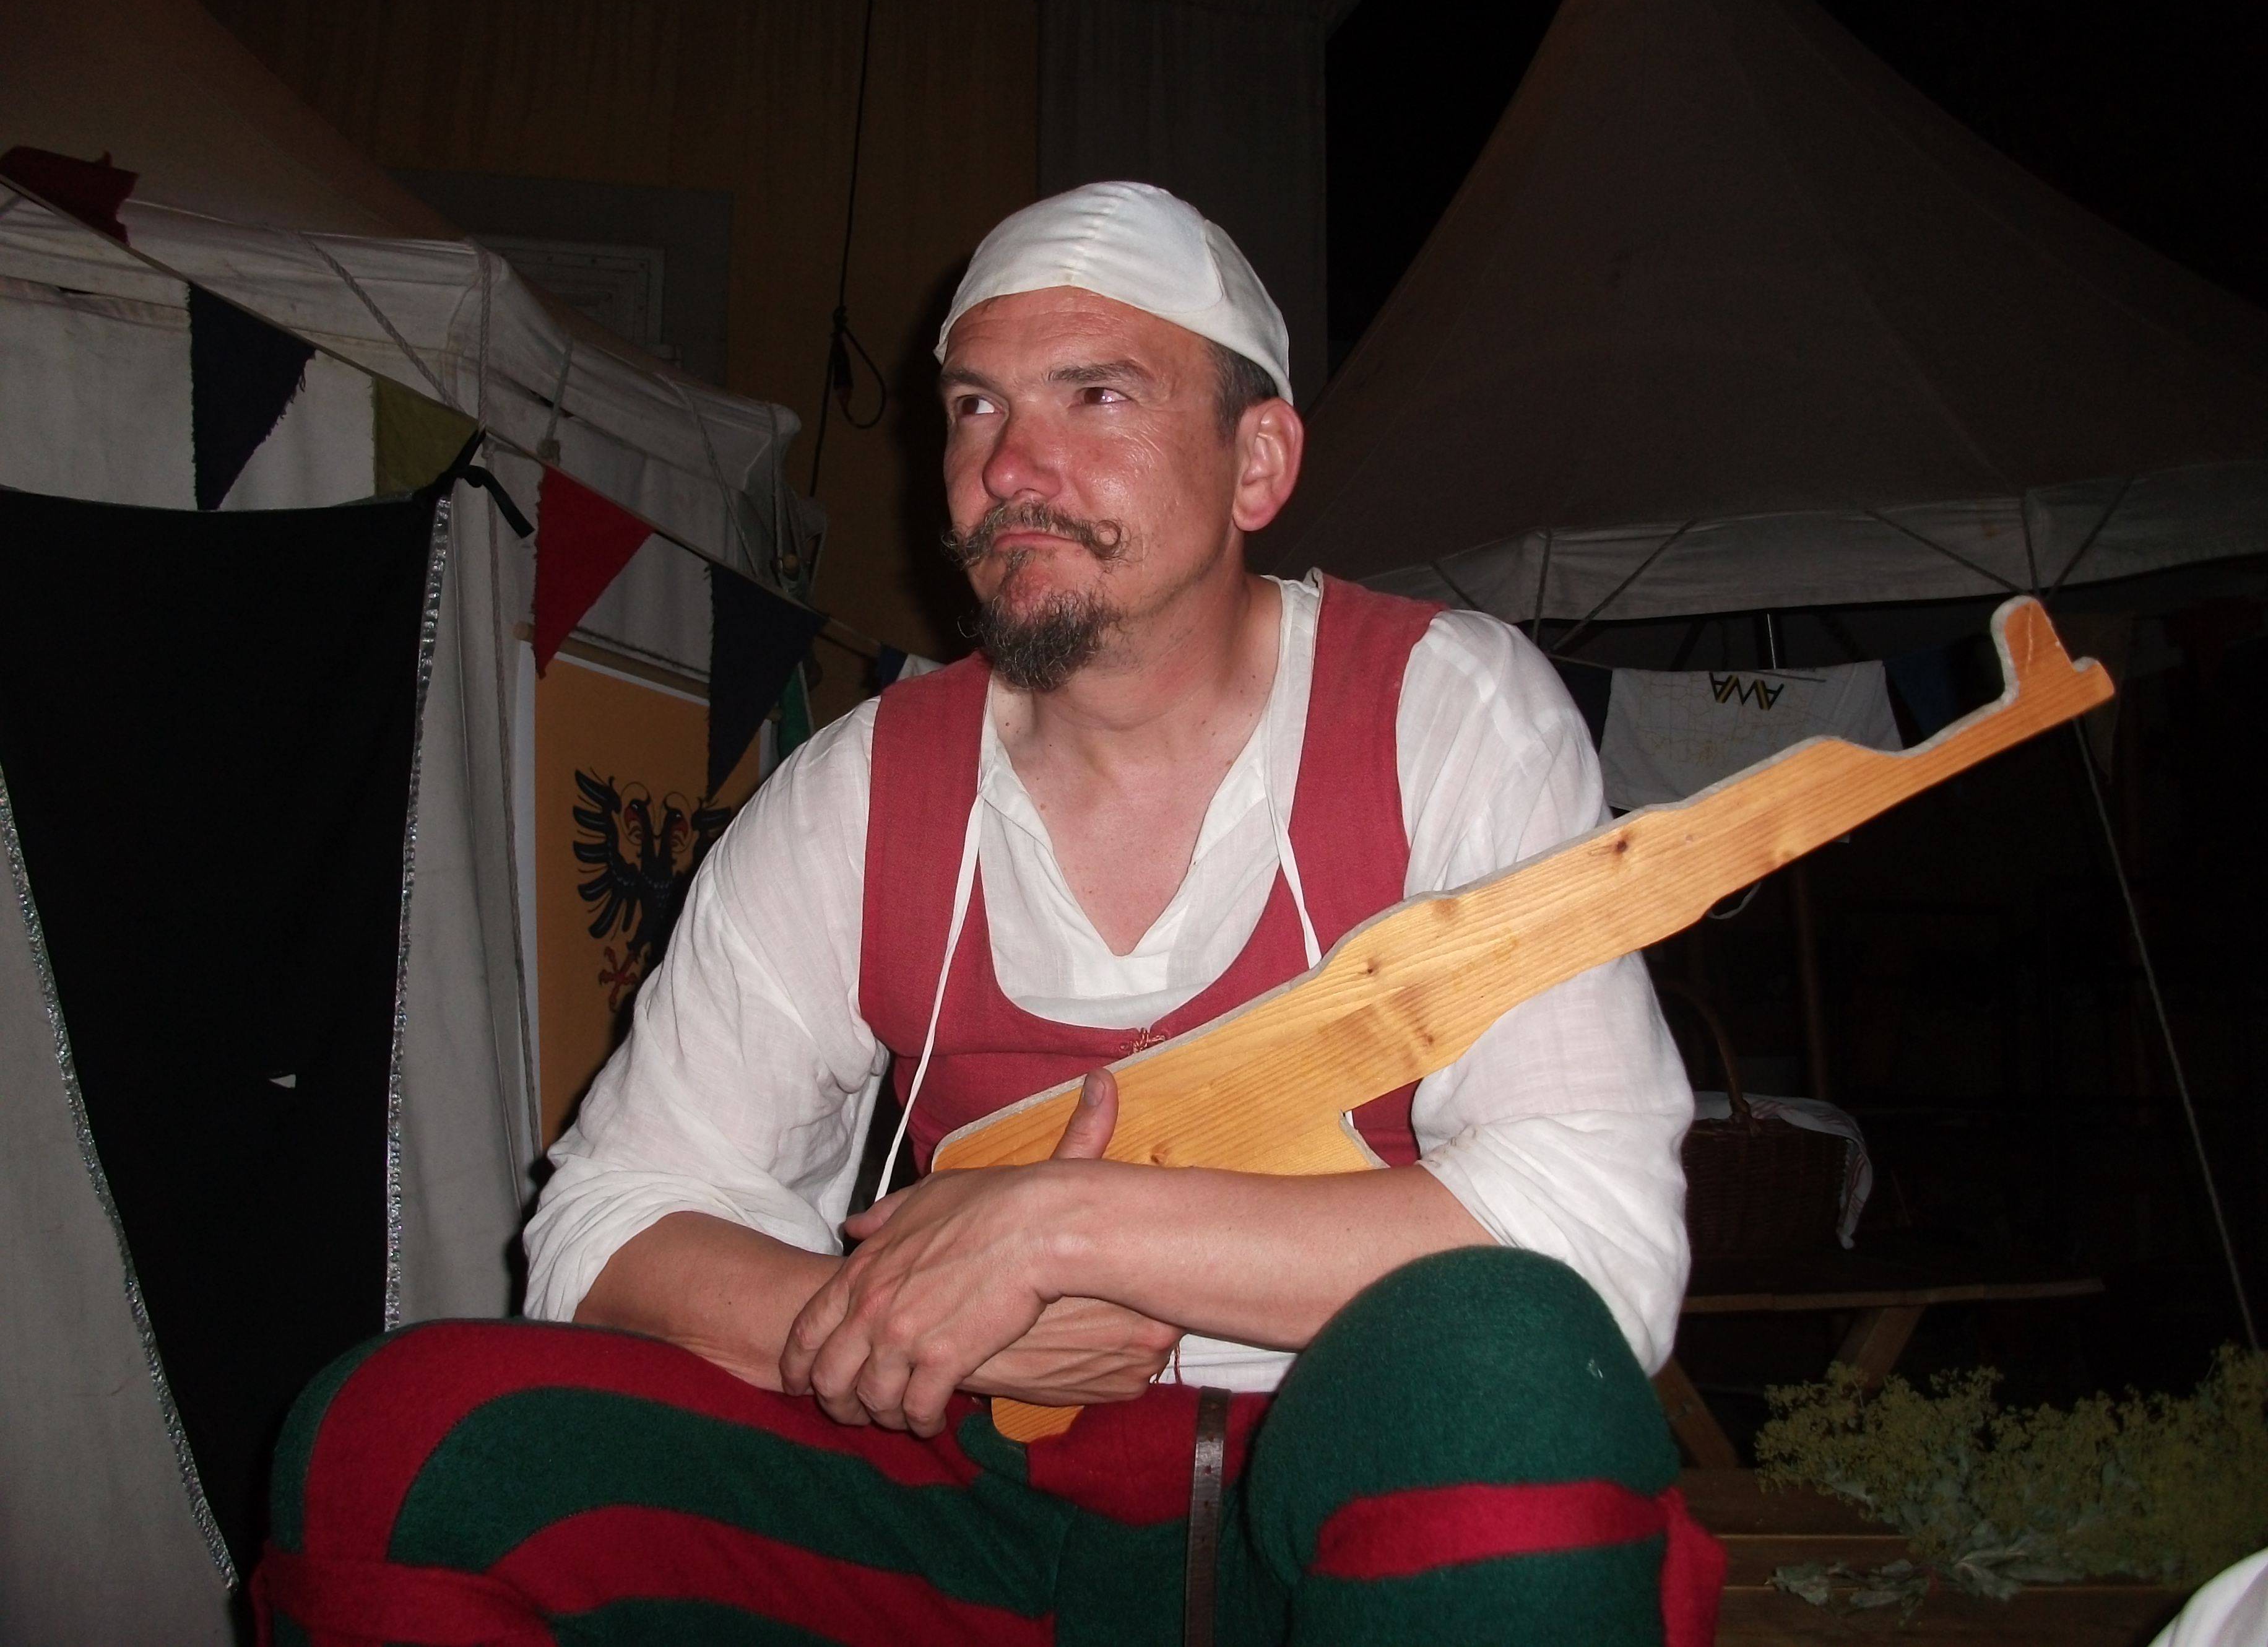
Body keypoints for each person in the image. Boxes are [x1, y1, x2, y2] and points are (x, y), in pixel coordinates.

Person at [256, 181, 1718, 1646]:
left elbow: (1592, 1242)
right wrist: (923, 1325)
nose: (1010, 463)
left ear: (1256, 460)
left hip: (1336, 1497)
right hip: (976, 1494)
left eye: (1096, 394)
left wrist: (1057, 1230)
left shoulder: (1439, 712)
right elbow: (610, 1220)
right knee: (400, 1444)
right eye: (973, 407)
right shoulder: (860, 791)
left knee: (1502, 1370)